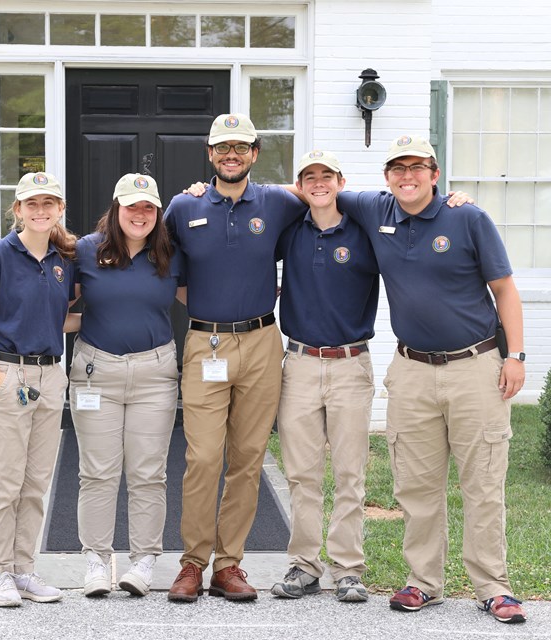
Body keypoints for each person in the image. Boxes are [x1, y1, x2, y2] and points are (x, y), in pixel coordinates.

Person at [337, 134, 527, 624]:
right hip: (412, 371)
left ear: (435, 173)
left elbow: (504, 290)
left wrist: (517, 356)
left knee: (482, 482)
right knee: (416, 487)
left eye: (417, 167)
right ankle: (424, 582)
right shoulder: (375, 210)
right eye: (397, 168)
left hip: (476, 368)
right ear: (386, 178)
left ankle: (492, 586)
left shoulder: (468, 217)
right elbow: (312, 191)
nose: (407, 176)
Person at [163, 113, 309, 601]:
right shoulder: (183, 207)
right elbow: (161, 264)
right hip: (206, 343)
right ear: (209, 154)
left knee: (247, 459)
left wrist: (452, 199)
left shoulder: (276, 202)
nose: (231, 155)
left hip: (263, 342)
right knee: (203, 456)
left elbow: (326, 194)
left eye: (240, 147)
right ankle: (192, 563)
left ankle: (229, 565)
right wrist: (212, 310)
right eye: (222, 148)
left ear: (254, 154)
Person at [69, 173, 185, 598]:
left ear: (158, 214)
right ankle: (97, 561)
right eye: (132, 206)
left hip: (155, 375)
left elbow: (204, 301)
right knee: (97, 472)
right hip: (96, 371)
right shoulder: (85, 250)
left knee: (148, 472)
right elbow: (55, 308)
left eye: (148, 208)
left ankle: (144, 561)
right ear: (116, 208)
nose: (140, 214)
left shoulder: (170, 255)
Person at [270, 151, 378, 602]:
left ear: (341, 181)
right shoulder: (290, 230)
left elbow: (415, 211)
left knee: (350, 472)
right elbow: (255, 201)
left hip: (351, 363)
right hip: (299, 363)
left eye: (326, 176)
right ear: (300, 185)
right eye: (308, 177)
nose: (318, 183)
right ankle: (304, 565)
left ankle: (348, 568)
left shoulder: (366, 230)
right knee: (302, 472)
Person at [0, 172, 76, 607]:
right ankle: (0, 574)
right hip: (7, 374)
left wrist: (104, 321)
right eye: (32, 203)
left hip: (50, 377)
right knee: (6, 483)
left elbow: (55, 319)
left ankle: (25, 570)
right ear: (18, 210)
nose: (41, 210)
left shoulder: (63, 261)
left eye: (49, 203)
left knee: (35, 483)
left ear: (60, 210)